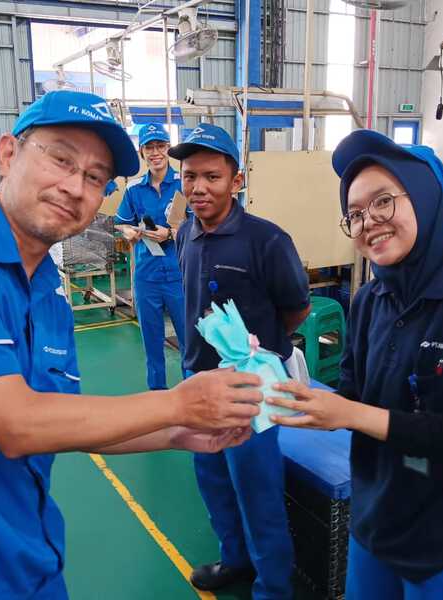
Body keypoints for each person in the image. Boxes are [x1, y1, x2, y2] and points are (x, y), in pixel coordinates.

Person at [0, 91, 263, 600]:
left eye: (95, 177)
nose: (75, 187)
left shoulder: (48, 293)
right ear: (8, 154)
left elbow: (61, 417)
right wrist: (178, 403)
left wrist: (177, 432)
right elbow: (17, 423)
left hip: (27, 566)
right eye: (60, 159)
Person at [267, 129, 443, 600]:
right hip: (376, 522)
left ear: (427, 198)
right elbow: (353, 394)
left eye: (383, 202)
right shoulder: (370, 299)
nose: (367, 221)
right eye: (354, 213)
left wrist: (352, 414)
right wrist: (288, 394)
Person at [169, 123, 312, 600]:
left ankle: (273, 588)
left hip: (249, 389)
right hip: (197, 379)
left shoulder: (266, 240)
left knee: (258, 492)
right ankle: (235, 560)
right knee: (213, 482)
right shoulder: (185, 233)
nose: (198, 187)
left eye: (212, 176)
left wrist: (260, 353)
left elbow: (296, 308)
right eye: (190, 176)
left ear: (237, 180)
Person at [115, 123, 186, 390]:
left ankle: (193, 394)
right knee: (152, 344)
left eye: (160, 146)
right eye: (149, 148)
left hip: (179, 275)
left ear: (168, 148)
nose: (155, 153)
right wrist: (129, 232)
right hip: (146, 276)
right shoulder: (134, 189)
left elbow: (199, 225)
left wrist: (171, 233)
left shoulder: (183, 184)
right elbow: (121, 222)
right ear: (142, 152)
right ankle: (157, 396)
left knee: (189, 342)